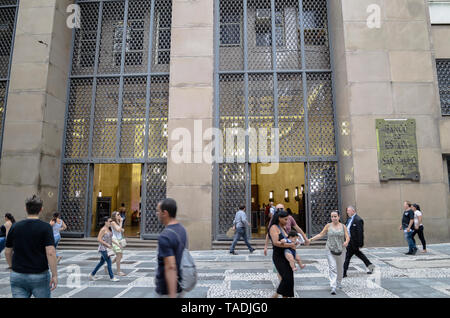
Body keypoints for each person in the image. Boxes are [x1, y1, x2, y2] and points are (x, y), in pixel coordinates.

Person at [5, 195, 57, 298]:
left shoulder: (15, 226)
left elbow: (7, 252)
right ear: (41, 209)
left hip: (18, 274)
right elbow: (50, 252)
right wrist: (54, 274)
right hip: (39, 275)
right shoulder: (45, 227)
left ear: (25, 208)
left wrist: (12, 267)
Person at [310, 210, 350, 295]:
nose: (333, 218)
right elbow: (321, 234)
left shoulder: (343, 226)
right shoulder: (328, 226)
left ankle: (338, 282)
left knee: (340, 268)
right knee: (332, 267)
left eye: (335, 216)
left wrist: (346, 242)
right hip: (329, 249)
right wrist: (311, 239)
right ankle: (333, 286)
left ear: (339, 217)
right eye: (332, 216)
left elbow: (347, 236)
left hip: (341, 249)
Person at [155, 198, 188, 298]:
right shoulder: (181, 229)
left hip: (167, 290)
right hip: (180, 284)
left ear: (165, 213)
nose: (157, 214)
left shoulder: (165, 236)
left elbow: (170, 267)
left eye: (158, 211)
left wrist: (172, 295)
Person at [268, 209, 296, 298]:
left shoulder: (283, 227)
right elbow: (275, 242)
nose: (287, 221)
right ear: (279, 218)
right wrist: (290, 245)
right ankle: (275, 295)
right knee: (286, 277)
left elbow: (286, 240)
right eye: (285, 219)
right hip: (278, 256)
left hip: (286, 255)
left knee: (290, 278)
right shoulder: (274, 228)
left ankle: (285, 296)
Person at [343, 206, 375, 277]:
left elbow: (360, 233)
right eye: (347, 210)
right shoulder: (349, 219)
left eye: (348, 210)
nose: (347, 212)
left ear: (353, 211)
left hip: (354, 242)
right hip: (349, 241)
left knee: (347, 256)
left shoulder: (358, 220)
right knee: (359, 255)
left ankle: (343, 272)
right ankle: (371, 267)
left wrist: (360, 244)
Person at [89, 217, 119, 282]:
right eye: (109, 221)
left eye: (111, 221)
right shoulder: (103, 229)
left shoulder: (109, 229)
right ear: (105, 222)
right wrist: (107, 244)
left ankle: (92, 274)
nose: (111, 222)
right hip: (103, 248)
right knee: (109, 262)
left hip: (108, 248)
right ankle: (112, 277)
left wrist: (116, 243)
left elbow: (110, 239)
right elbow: (99, 239)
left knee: (101, 262)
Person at [109, 211, 126, 276]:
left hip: (120, 240)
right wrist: (121, 222)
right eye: (118, 214)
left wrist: (121, 227)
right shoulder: (113, 222)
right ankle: (118, 271)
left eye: (119, 214)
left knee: (120, 256)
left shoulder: (117, 222)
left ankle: (107, 266)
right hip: (115, 240)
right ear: (114, 216)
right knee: (119, 256)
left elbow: (120, 230)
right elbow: (118, 230)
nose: (119, 215)